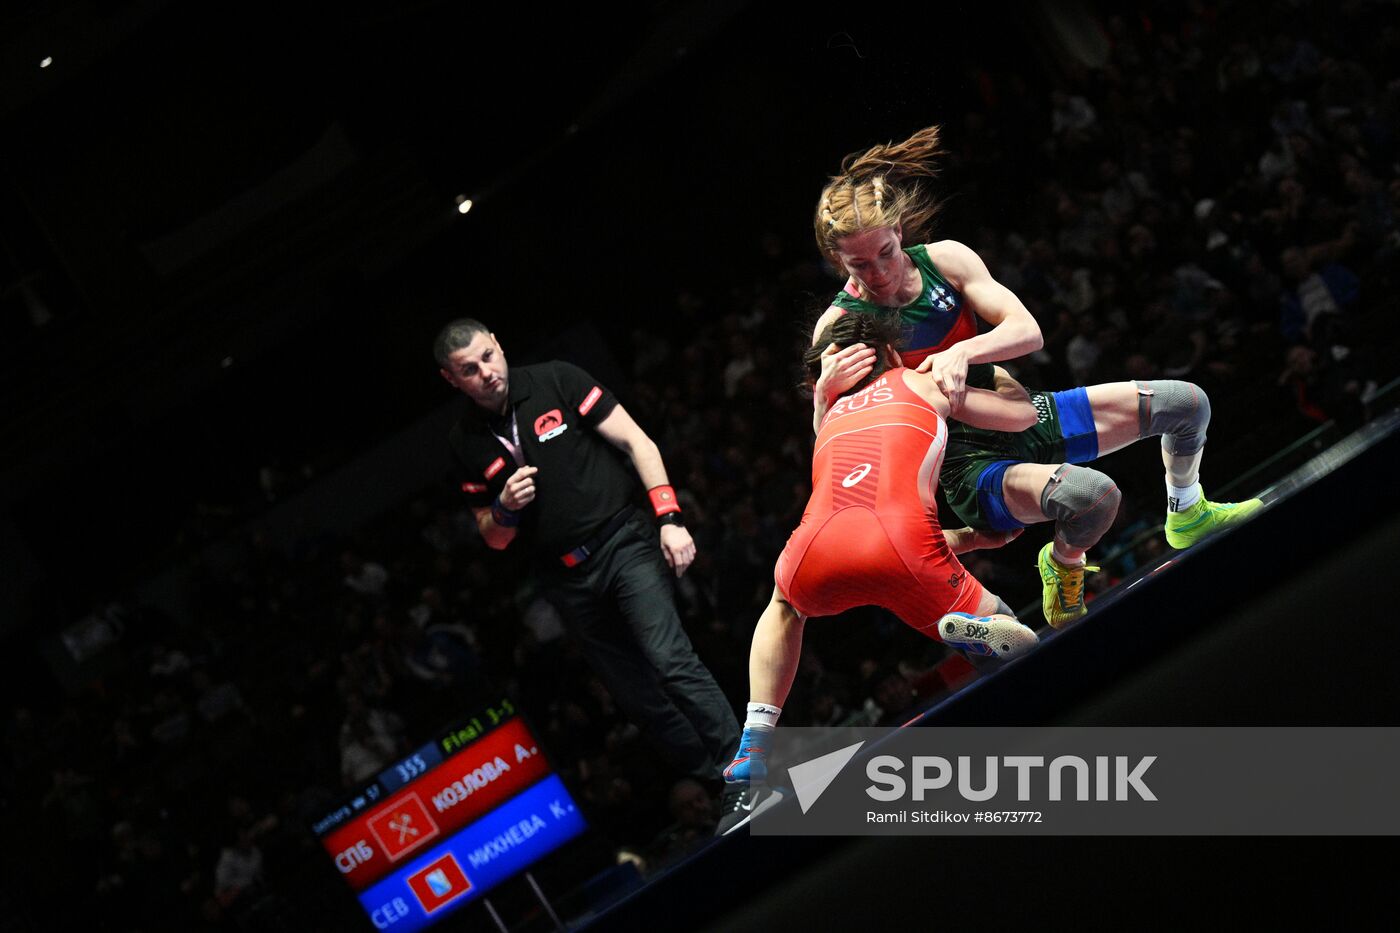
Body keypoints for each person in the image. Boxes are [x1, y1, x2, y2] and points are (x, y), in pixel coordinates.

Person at [808, 125, 1262, 628]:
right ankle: (1063, 565)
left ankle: (1188, 511)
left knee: (1186, 404)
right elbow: (840, 447)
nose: (878, 272)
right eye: (859, 264)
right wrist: (821, 400)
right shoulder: (841, 326)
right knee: (1088, 496)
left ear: (899, 232)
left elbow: (1028, 331)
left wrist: (964, 351)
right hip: (966, 465)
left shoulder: (947, 260)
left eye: (885, 253)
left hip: (1018, 409)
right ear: (837, 261)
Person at [718, 313, 1040, 830]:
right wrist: (986, 363)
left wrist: (823, 396)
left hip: (813, 548)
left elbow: (850, 495)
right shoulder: (921, 379)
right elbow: (1020, 416)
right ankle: (988, 648)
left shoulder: (831, 415)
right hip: (902, 542)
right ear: (891, 352)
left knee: (784, 605)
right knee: (1020, 656)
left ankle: (755, 741)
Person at [435, 318, 740, 786]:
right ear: (451, 379)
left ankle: (747, 771)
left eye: (488, 356)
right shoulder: (464, 443)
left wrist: (670, 517)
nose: (487, 371)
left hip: (623, 543)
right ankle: (719, 783)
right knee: (637, 698)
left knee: (670, 661)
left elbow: (637, 441)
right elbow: (493, 537)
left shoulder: (557, 378)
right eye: (469, 369)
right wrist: (504, 507)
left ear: (498, 343)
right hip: (565, 580)